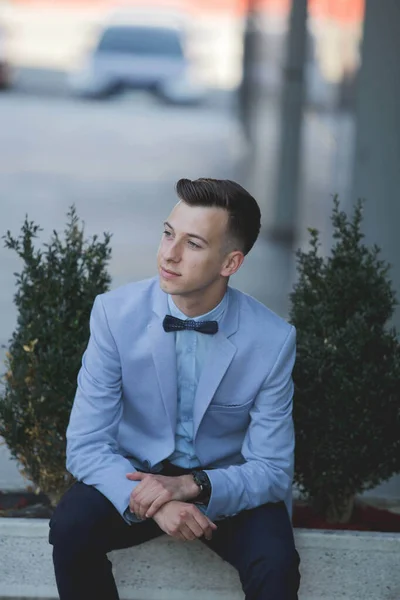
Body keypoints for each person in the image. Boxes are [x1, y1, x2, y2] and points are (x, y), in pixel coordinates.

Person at [49, 178, 300, 600]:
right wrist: (160, 502)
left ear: (230, 263)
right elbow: (86, 443)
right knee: (70, 527)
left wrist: (191, 486)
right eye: (168, 233)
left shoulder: (272, 340)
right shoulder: (114, 315)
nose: (169, 253)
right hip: (136, 474)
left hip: (223, 482)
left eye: (194, 244)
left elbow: (273, 470)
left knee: (276, 564)